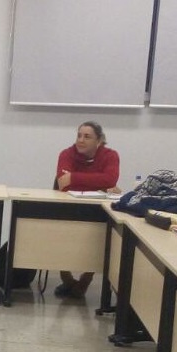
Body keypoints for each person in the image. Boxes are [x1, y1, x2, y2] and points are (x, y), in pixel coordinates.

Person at [53, 121, 120, 298]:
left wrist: (74, 177)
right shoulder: (67, 154)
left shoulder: (110, 156)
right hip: (67, 208)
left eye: (87, 137)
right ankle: (66, 278)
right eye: (79, 135)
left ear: (99, 141)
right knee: (58, 232)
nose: (81, 140)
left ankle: (87, 278)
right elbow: (63, 184)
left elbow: (110, 180)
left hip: (96, 211)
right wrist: (100, 183)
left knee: (100, 235)